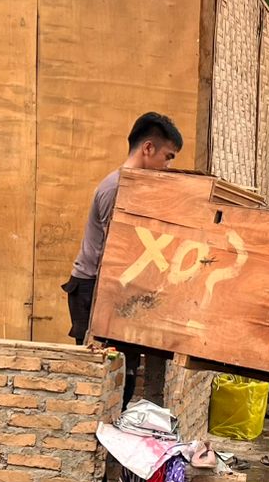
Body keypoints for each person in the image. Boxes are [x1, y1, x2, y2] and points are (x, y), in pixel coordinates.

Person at [63, 112, 184, 346]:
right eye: (168, 157)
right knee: (103, 364)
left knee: (126, 364)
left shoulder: (135, 187)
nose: (168, 167)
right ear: (148, 148)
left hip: (114, 287)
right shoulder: (115, 188)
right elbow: (115, 253)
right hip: (93, 288)